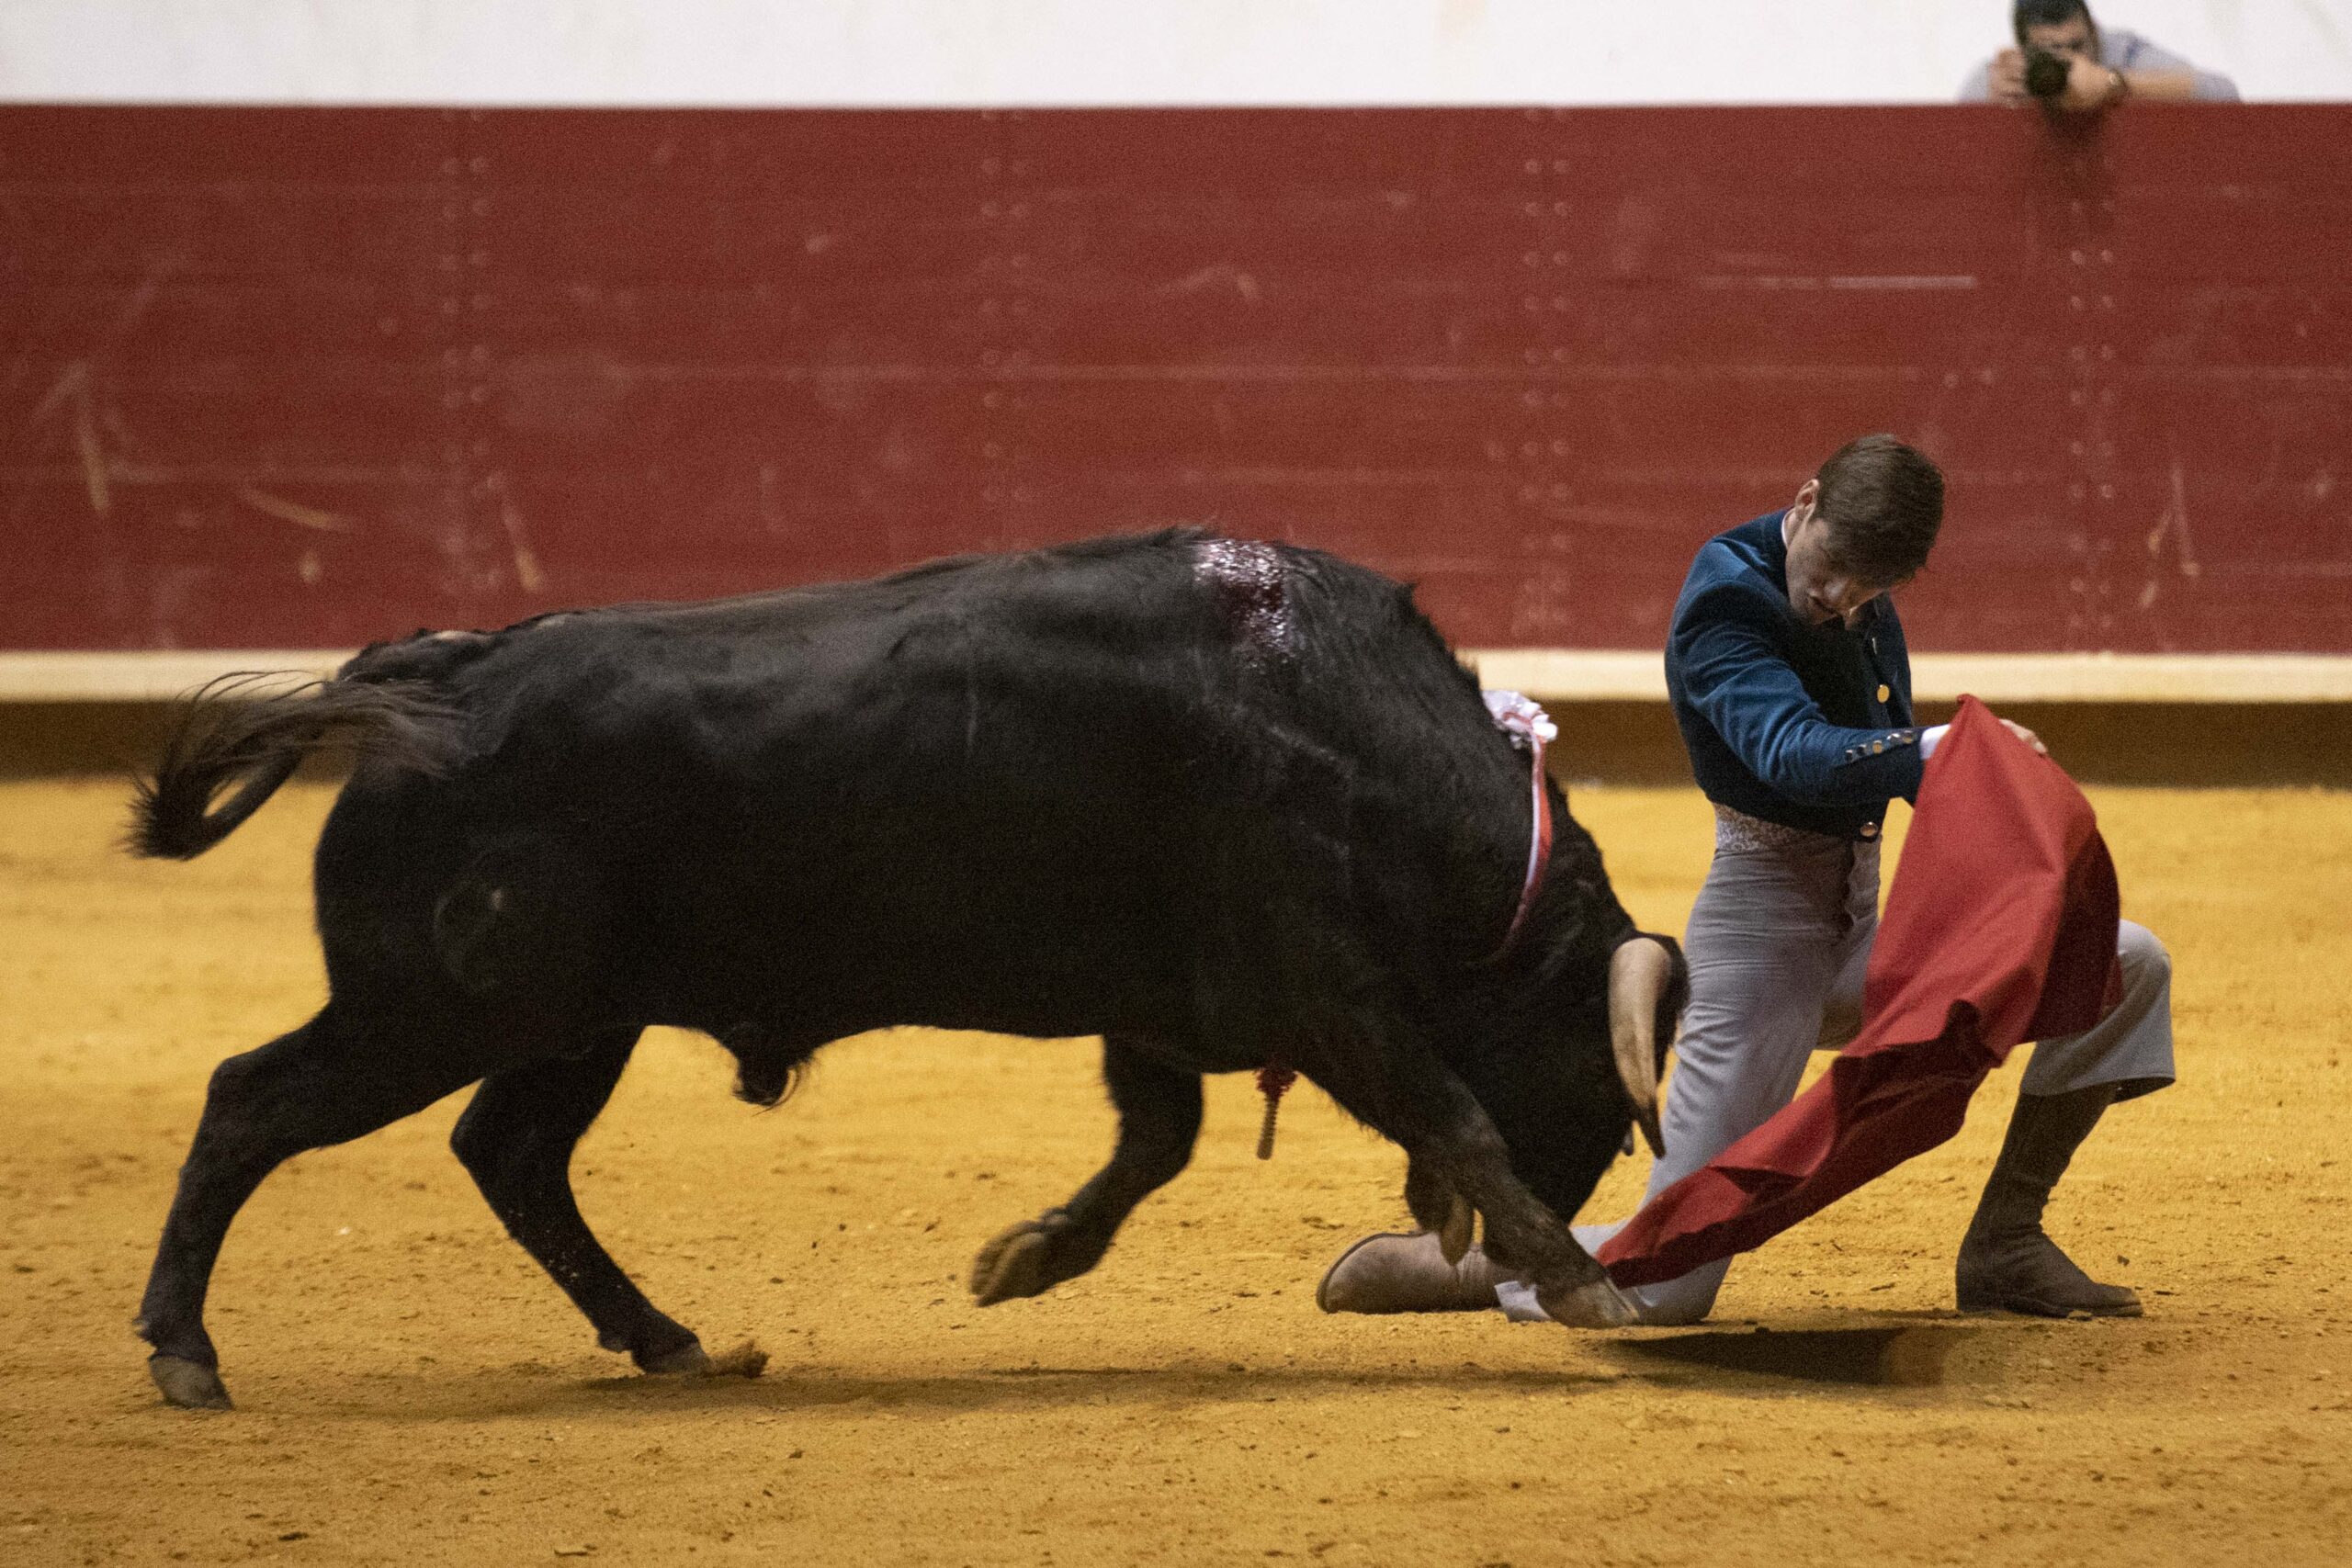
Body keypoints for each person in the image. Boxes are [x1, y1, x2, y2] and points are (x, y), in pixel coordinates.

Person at [1318, 434, 2177, 1325]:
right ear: (1805, 502)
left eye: (1868, 586)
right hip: (1760, 942)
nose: (1840, 596)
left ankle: (2005, 1240)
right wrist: (1933, 748)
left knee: (2127, 963)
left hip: (1860, 933)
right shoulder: (1726, 600)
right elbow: (1792, 753)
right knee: (1666, 1283)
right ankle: (1489, 1263)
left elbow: (1882, 760)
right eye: (1833, 566)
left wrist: (1986, 783)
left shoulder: (1857, 592)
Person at [1962, 0, 2240, 108]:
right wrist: (1991, 113)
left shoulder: (2125, 55)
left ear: (2094, 33)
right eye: (2051, 53)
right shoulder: (2000, 79)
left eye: (2076, 47)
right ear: (2023, 50)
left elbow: (2224, 93)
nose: (2069, 63)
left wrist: (2113, 83)